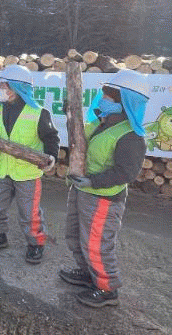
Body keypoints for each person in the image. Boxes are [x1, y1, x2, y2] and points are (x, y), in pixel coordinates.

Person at [59, 70, 149, 308]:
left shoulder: (131, 136)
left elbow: (126, 173)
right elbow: (80, 139)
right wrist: (70, 116)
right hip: (82, 191)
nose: (103, 99)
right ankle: (87, 273)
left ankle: (107, 288)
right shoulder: (101, 122)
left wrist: (93, 182)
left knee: (97, 244)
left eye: (109, 96)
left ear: (124, 102)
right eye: (105, 94)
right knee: (74, 235)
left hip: (103, 198)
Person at [0, 65, 59, 264]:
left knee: (29, 213)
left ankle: (36, 244)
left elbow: (51, 138)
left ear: (17, 88)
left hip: (27, 173)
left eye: (4, 85)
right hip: (0, 169)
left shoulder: (39, 113)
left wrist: (51, 157)